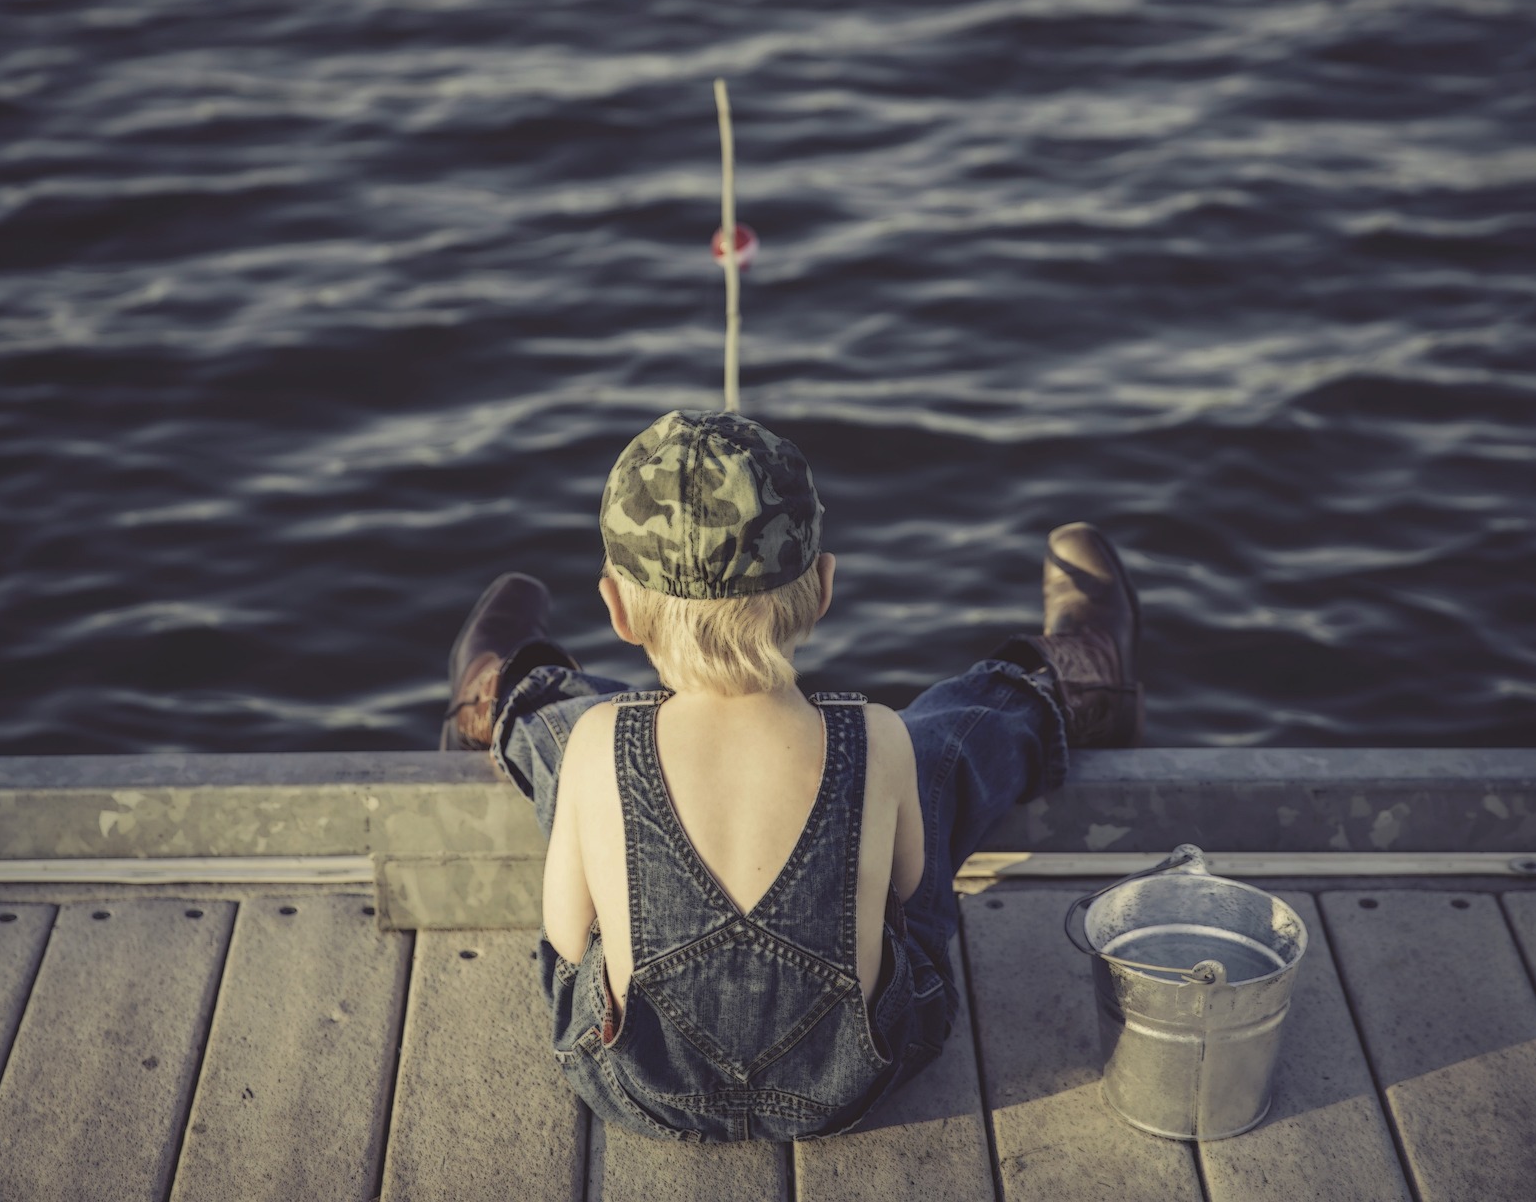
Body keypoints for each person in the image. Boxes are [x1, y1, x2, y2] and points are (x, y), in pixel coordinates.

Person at [437, 409, 1141, 1143]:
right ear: (825, 586)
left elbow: (569, 941)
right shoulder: (876, 735)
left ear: (617, 609)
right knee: (935, 751)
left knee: (576, 740)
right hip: (854, 1081)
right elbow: (909, 891)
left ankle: (513, 692)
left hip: (641, 1084)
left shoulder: (598, 740)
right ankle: (1064, 684)